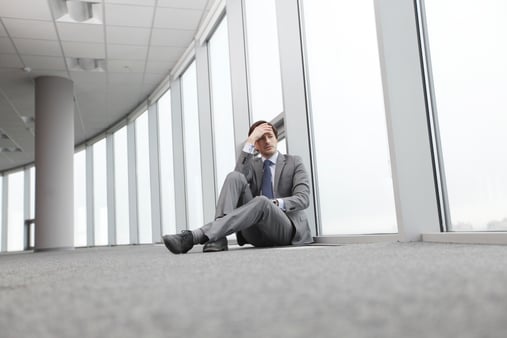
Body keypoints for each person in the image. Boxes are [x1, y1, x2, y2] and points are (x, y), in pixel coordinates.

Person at [162, 120, 313, 254]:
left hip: (284, 229)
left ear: (276, 138)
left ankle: (194, 236)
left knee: (262, 201)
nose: (267, 141)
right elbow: (236, 180)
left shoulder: (294, 162)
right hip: (255, 232)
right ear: (255, 145)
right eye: (260, 138)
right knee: (234, 176)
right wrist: (250, 141)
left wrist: (275, 203)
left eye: (270, 136)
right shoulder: (253, 165)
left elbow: (303, 199)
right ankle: (218, 237)